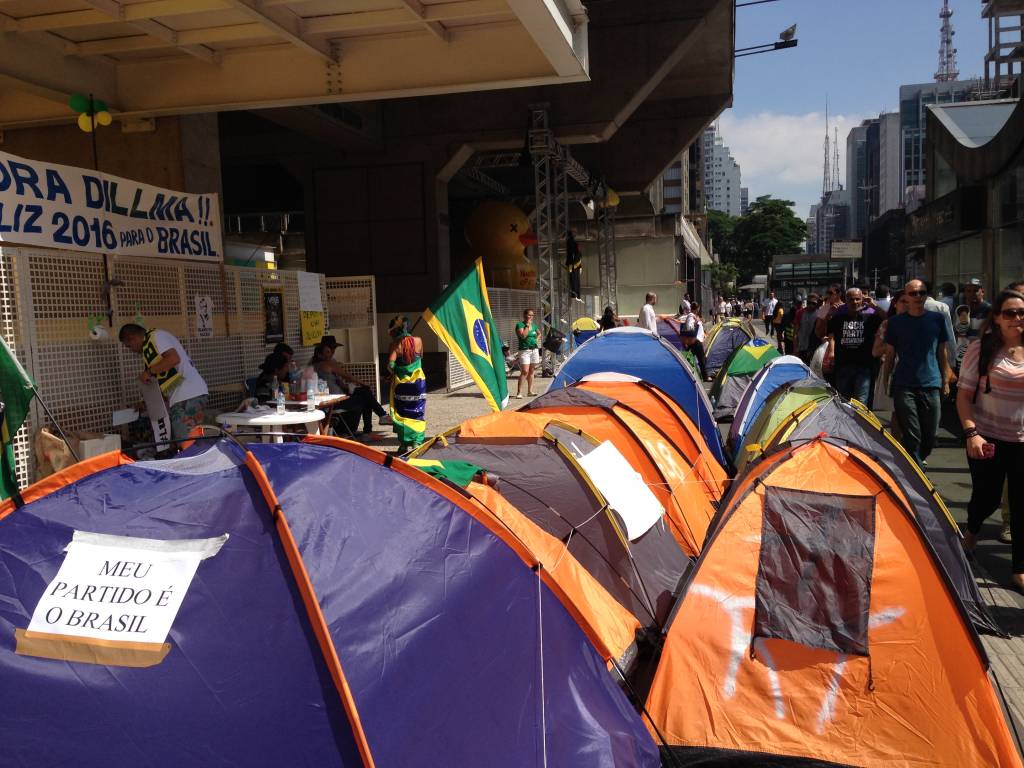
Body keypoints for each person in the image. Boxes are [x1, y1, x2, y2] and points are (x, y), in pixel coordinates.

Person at [957, 289, 1024, 590]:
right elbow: (963, 397)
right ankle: (972, 531)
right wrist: (972, 432)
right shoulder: (980, 349)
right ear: (996, 317)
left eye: (1022, 313)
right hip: (988, 438)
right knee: (987, 497)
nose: (1017, 319)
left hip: (1022, 440)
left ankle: (1019, 567)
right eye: (1009, 313)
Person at [876, 279, 952, 467]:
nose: (918, 296)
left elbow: (942, 351)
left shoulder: (937, 319)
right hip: (904, 384)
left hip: (932, 383)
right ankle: (916, 472)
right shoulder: (895, 323)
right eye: (913, 293)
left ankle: (912, 461)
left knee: (931, 433)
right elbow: (890, 354)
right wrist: (885, 381)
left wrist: (946, 379)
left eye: (922, 292)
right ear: (905, 298)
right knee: (912, 433)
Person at [119, 323, 208, 444]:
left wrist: (149, 372)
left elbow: (173, 359)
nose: (132, 350)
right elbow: (163, 381)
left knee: (187, 443)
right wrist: (145, 402)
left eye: (129, 346)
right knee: (194, 441)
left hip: (187, 395)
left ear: (132, 338)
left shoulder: (157, 337)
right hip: (187, 395)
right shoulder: (151, 349)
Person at [310, 340, 388, 439]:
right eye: (328, 352)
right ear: (320, 355)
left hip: (334, 399)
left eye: (331, 351)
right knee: (365, 395)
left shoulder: (314, 365)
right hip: (334, 402)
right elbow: (348, 376)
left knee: (364, 392)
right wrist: (365, 384)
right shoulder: (327, 364)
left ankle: (380, 418)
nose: (331, 354)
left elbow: (339, 381)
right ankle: (376, 422)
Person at [826, 288, 883, 404]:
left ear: (862, 300)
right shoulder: (838, 318)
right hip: (843, 366)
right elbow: (826, 333)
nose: (855, 302)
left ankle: (859, 423)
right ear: (846, 301)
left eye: (858, 299)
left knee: (861, 404)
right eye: (851, 299)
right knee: (843, 402)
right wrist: (829, 314)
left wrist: (874, 306)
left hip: (864, 367)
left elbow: (888, 319)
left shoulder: (870, 317)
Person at [387, 315, 427, 453]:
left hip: (402, 386)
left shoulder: (395, 345)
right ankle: (417, 442)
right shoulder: (419, 341)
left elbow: (391, 365)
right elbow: (420, 357)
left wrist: (396, 369)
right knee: (417, 412)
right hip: (418, 384)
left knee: (402, 414)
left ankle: (403, 445)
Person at [678, 301, 708, 380]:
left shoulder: (693, 316)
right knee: (701, 359)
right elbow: (689, 327)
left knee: (690, 358)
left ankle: (686, 373)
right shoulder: (691, 316)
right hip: (695, 340)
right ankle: (705, 377)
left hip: (694, 340)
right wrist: (697, 322)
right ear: (697, 308)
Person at [514, 308, 540, 398]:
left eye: (532, 315)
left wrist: (536, 339)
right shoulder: (520, 325)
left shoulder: (534, 325)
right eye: (529, 315)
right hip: (524, 350)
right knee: (525, 371)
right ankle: (519, 392)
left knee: (532, 371)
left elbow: (539, 333)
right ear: (524, 315)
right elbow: (523, 336)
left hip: (534, 350)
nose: (530, 317)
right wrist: (527, 325)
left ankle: (530, 391)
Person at [796, 293, 820, 364]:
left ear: (817, 303)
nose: (811, 305)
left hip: (815, 348)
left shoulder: (820, 313)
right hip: (802, 347)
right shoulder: (800, 312)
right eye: (809, 303)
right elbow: (795, 332)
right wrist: (795, 348)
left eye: (813, 303)